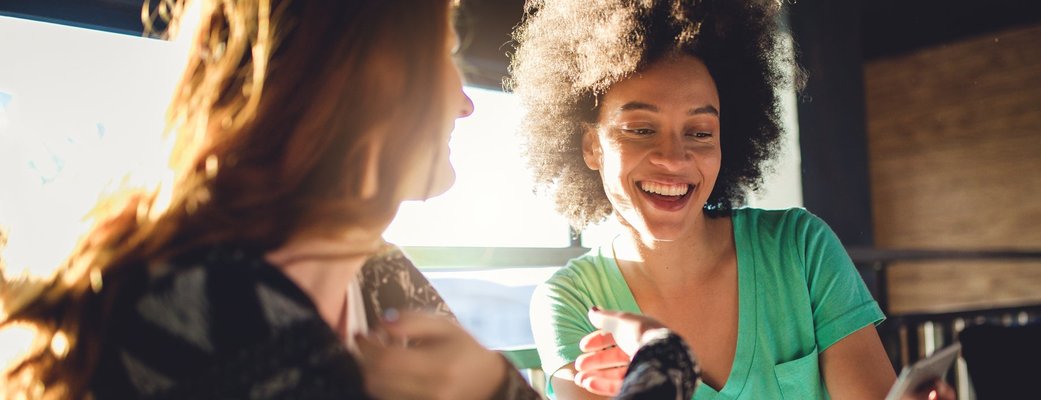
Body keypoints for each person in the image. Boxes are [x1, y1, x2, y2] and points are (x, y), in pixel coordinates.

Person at [0, 1, 700, 399]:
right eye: (445, 59)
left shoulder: (377, 276)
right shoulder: (209, 310)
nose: (463, 103)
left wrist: (662, 355)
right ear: (372, 84)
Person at [508, 1, 955, 399]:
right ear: (591, 146)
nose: (674, 158)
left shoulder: (800, 250)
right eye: (641, 129)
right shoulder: (569, 301)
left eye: (700, 133)